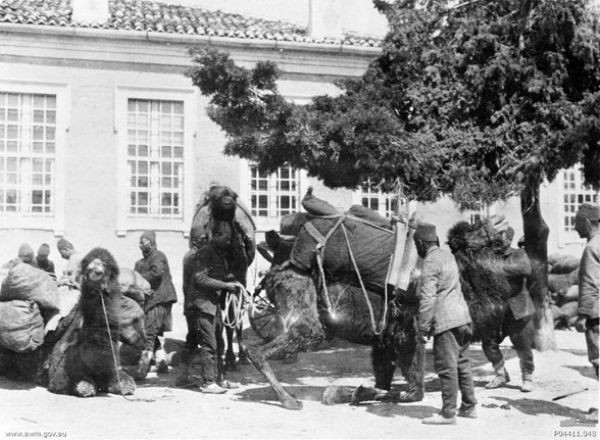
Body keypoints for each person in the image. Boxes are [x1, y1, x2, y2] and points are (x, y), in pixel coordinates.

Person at [414, 222, 476, 425]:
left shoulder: (430, 261)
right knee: (462, 364)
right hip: (463, 317)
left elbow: (428, 297)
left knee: (446, 367)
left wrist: (423, 327)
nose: (417, 249)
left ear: (422, 244)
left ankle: (448, 413)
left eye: (417, 245)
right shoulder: (448, 256)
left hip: (446, 321)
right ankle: (469, 406)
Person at [180, 220, 239, 394]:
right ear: (216, 235)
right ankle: (208, 382)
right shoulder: (205, 253)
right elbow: (200, 278)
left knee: (219, 343)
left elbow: (216, 275)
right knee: (209, 344)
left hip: (213, 305)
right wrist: (225, 286)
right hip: (202, 306)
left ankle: (220, 378)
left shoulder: (218, 253)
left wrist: (230, 281)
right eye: (226, 237)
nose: (228, 241)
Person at [483, 227, 536, 392]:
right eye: (495, 236)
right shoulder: (490, 256)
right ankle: (500, 374)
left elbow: (525, 269)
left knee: (522, 344)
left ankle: (527, 377)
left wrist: (497, 269)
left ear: (508, 239)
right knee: (488, 341)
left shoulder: (518, 254)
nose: (496, 239)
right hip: (497, 308)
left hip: (518, 307)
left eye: (500, 236)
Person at [134, 231, 178, 380]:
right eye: (140, 242)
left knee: (149, 333)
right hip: (150, 300)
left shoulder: (158, 256)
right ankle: (161, 361)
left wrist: (137, 277)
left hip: (160, 298)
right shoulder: (140, 263)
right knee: (152, 332)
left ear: (152, 243)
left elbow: (157, 273)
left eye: (144, 241)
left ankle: (142, 367)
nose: (141, 244)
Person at [574, 202, 599, 423]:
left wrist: (582, 315)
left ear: (588, 223)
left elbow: (591, 284)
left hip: (597, 315)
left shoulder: (592, 247)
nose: (575, 228)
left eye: (577, 223)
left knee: (599, 360)